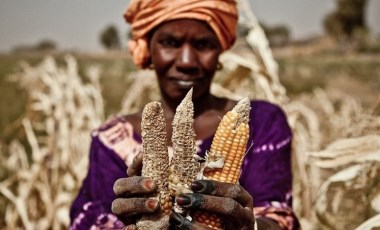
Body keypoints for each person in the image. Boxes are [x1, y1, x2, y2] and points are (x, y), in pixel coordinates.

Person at [70, 0, 299, 229]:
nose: (187, 61)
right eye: (170, 43)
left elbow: (278, 216)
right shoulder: (110, 140)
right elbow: (89, 219)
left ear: (220, 52)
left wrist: (249, 226)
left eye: (203, 44)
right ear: (148, 50)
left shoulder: (261, 122)